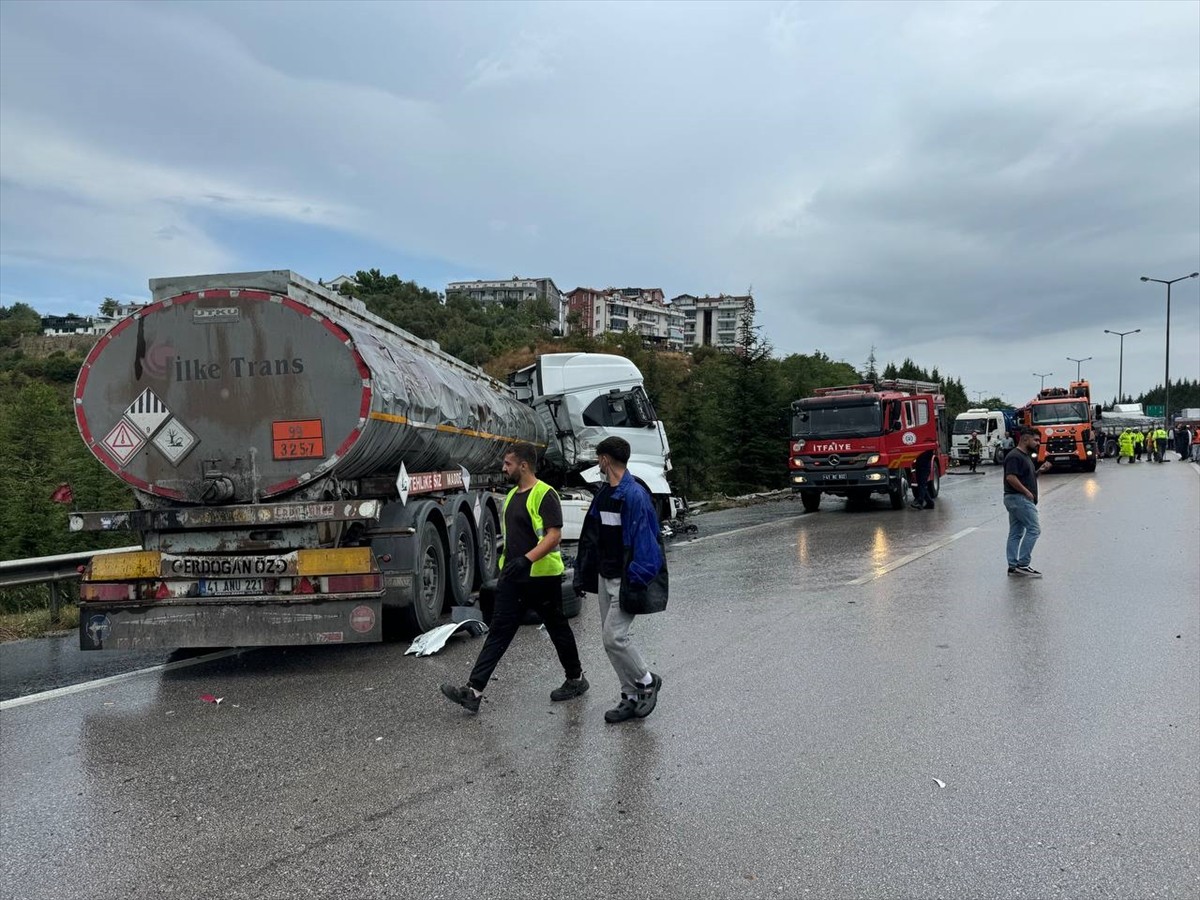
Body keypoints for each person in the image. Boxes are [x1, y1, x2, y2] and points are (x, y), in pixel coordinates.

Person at [440, 442, 588, 714]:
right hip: (514, 578)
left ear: (524, 465)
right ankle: (473, 691)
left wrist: (526, 560)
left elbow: (554, 536)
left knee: (557, 628)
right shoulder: (511, 496)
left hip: (542, 577)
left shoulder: (545, 494)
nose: (503, 468)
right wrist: (509, 567)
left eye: (508, 464)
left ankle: (576, 678)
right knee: (499, 632)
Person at [573, 436, 664, 724]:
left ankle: (647, 681)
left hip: (625, 580)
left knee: (614, 637)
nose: (597, 464)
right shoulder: (603, 494)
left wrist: (635, 581)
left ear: (605, 459)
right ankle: (630, 696)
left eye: (598, 459)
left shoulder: (635, 495)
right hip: (605, 577)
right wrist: (583, 573)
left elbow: (648, 544)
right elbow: (592, 537)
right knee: (609, 641)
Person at [1003, 427, 1052, 578]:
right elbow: (1010, 477)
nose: (1038, 443)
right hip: (1018, 498)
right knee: (1034, 529)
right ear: (1025, 439)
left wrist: (1040, 471)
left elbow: (1026, 478)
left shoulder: (1025, 457)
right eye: (1035, 440)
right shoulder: (1015, 456)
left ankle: (1013, 566)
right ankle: (1023, 564)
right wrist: (1026, 492)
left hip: (1016, 499)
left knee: (1016, 533)